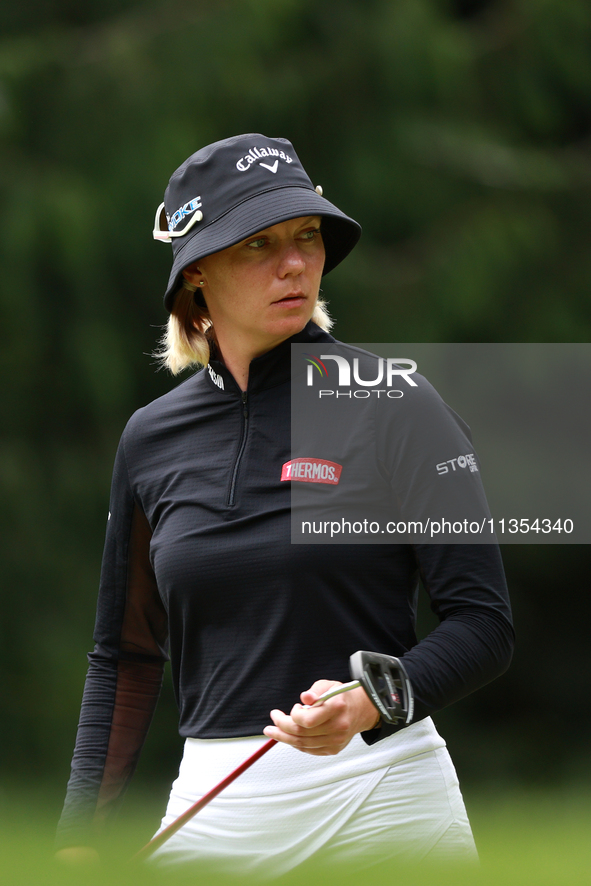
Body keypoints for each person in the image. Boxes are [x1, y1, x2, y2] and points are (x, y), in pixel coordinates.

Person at [56, 133, 514, 875]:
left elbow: (483, 624)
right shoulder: (149, 439)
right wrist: (75, 838)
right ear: (197, 273)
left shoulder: (394, 402)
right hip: (214, 808)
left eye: (307, 236)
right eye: (257, 244)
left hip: (385, 793)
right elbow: (126, 654)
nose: (294, 262)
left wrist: (374, 701)